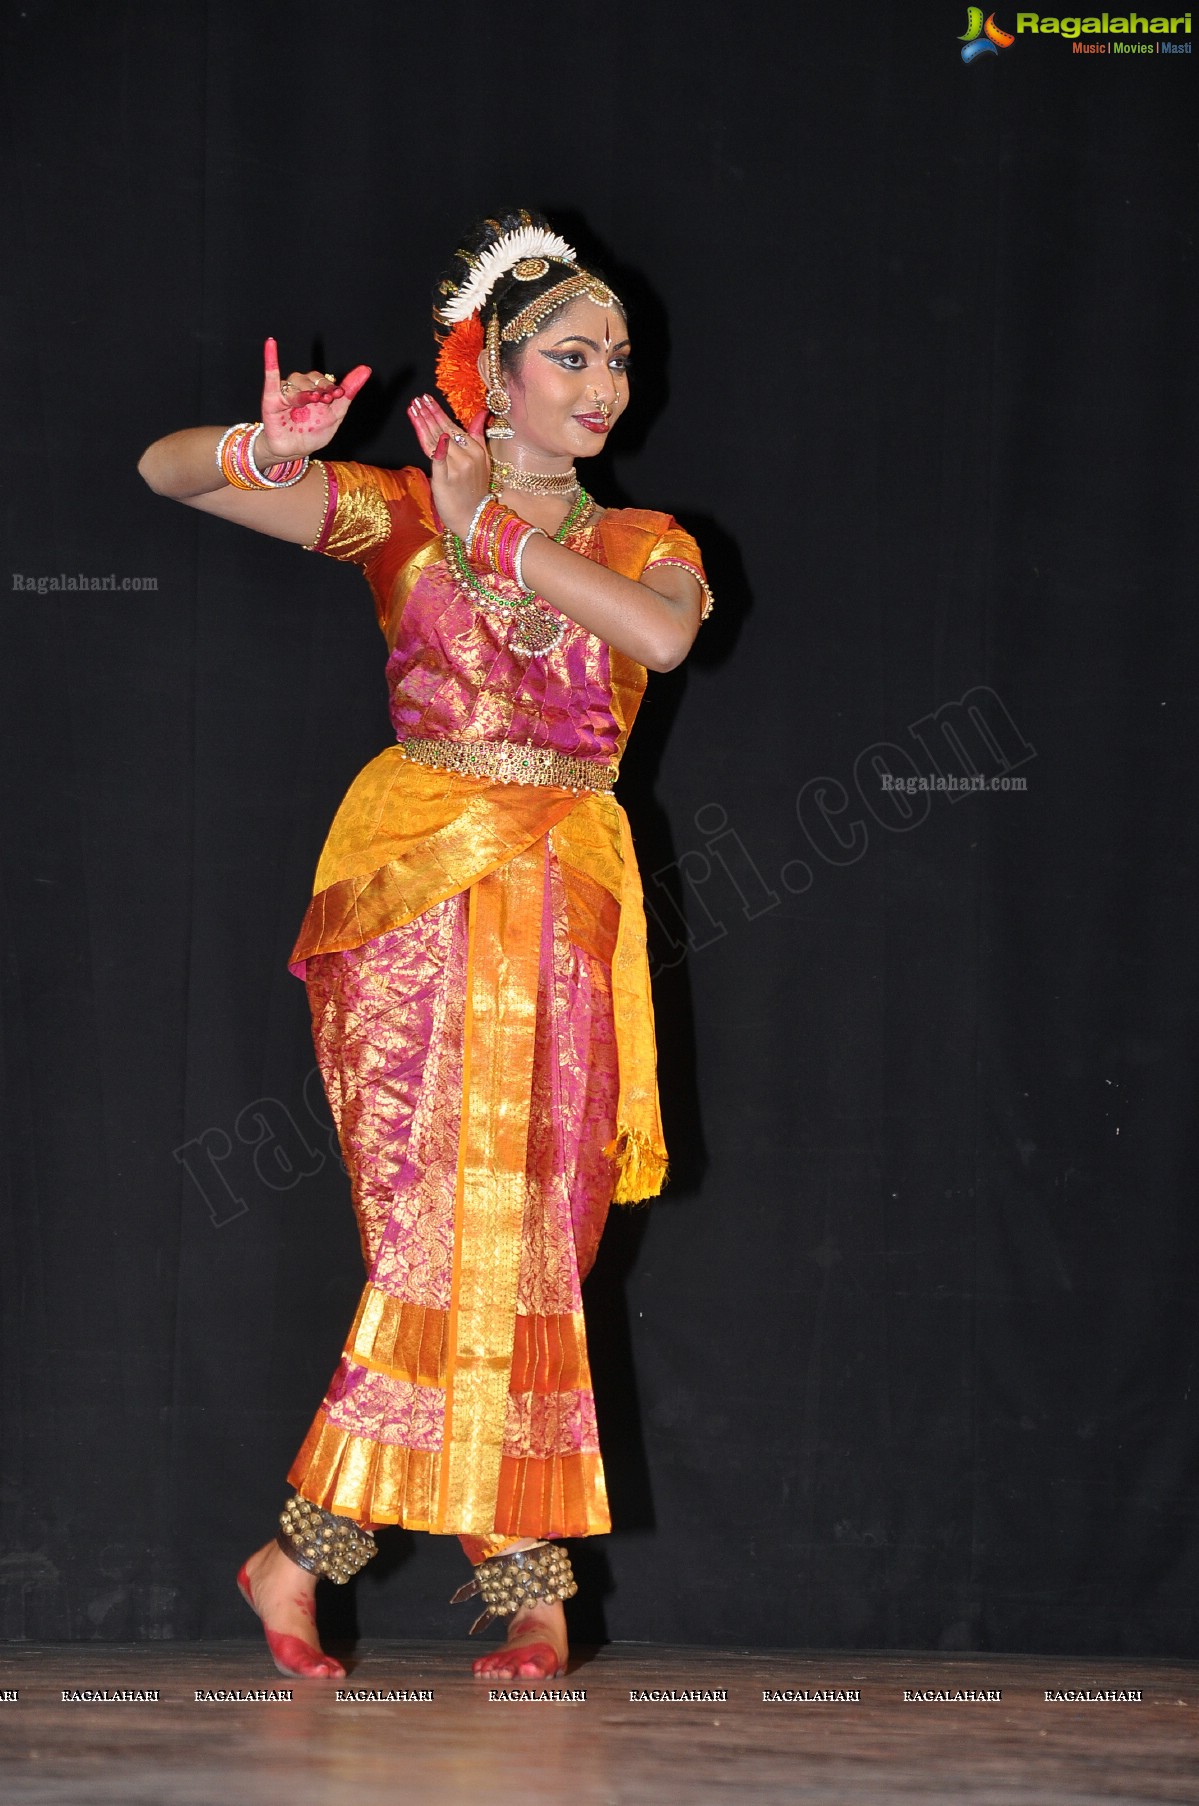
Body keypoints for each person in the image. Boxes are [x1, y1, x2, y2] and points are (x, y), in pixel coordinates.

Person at [138, 208, 712, 1682]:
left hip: (569, 905)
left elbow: (656, 641)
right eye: (572, 357)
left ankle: (314, 1551)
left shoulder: (650, 542)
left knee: (537, 1240)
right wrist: (264, 453)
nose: (605, 387)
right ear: (493, 374)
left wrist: (495, 534)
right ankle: (529, 1587)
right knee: (442, 1231)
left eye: (619, 361)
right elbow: (163, 472)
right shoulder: (399, 513)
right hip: (413, 895)